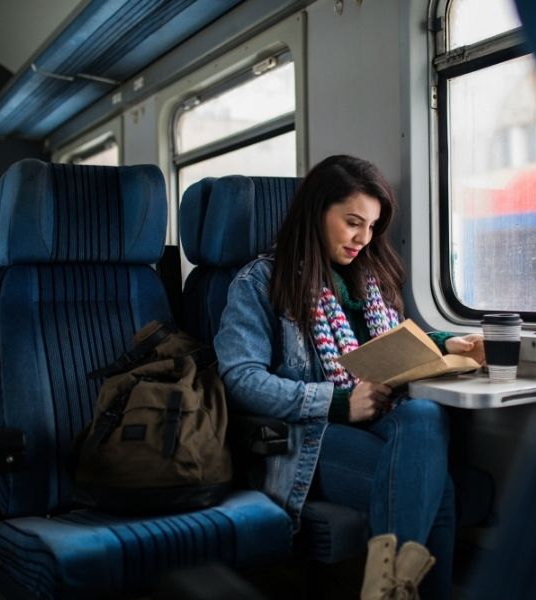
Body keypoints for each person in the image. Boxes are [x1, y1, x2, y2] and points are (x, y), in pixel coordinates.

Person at [214, 155, 485, 599]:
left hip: (382, 420)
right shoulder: (260, 281)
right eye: (353, 222)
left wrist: (442, 341)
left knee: (423, 413)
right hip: (310, 436)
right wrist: (337, 403)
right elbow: (241, 379)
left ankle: (385, 591)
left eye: (373, 226)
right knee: (441, 492)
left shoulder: (373, 278)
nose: (365, 238)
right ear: (316, 211)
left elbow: (394, 341)